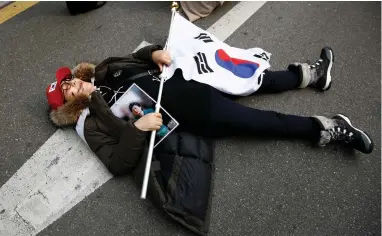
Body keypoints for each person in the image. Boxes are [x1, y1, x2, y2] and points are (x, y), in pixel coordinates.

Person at [45, 44, 373, 235]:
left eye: (67, 81)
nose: (70, 85)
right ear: (70, 105)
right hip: (194, 111)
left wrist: (154, 53)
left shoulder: (103, 70)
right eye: (66, 92)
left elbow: (139, 57)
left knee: (253, 78)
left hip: (186, 76)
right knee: (259, 122)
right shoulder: (90, 123)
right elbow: (117, 163)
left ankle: (314, 75)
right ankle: (327, 128)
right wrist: (138, 128)